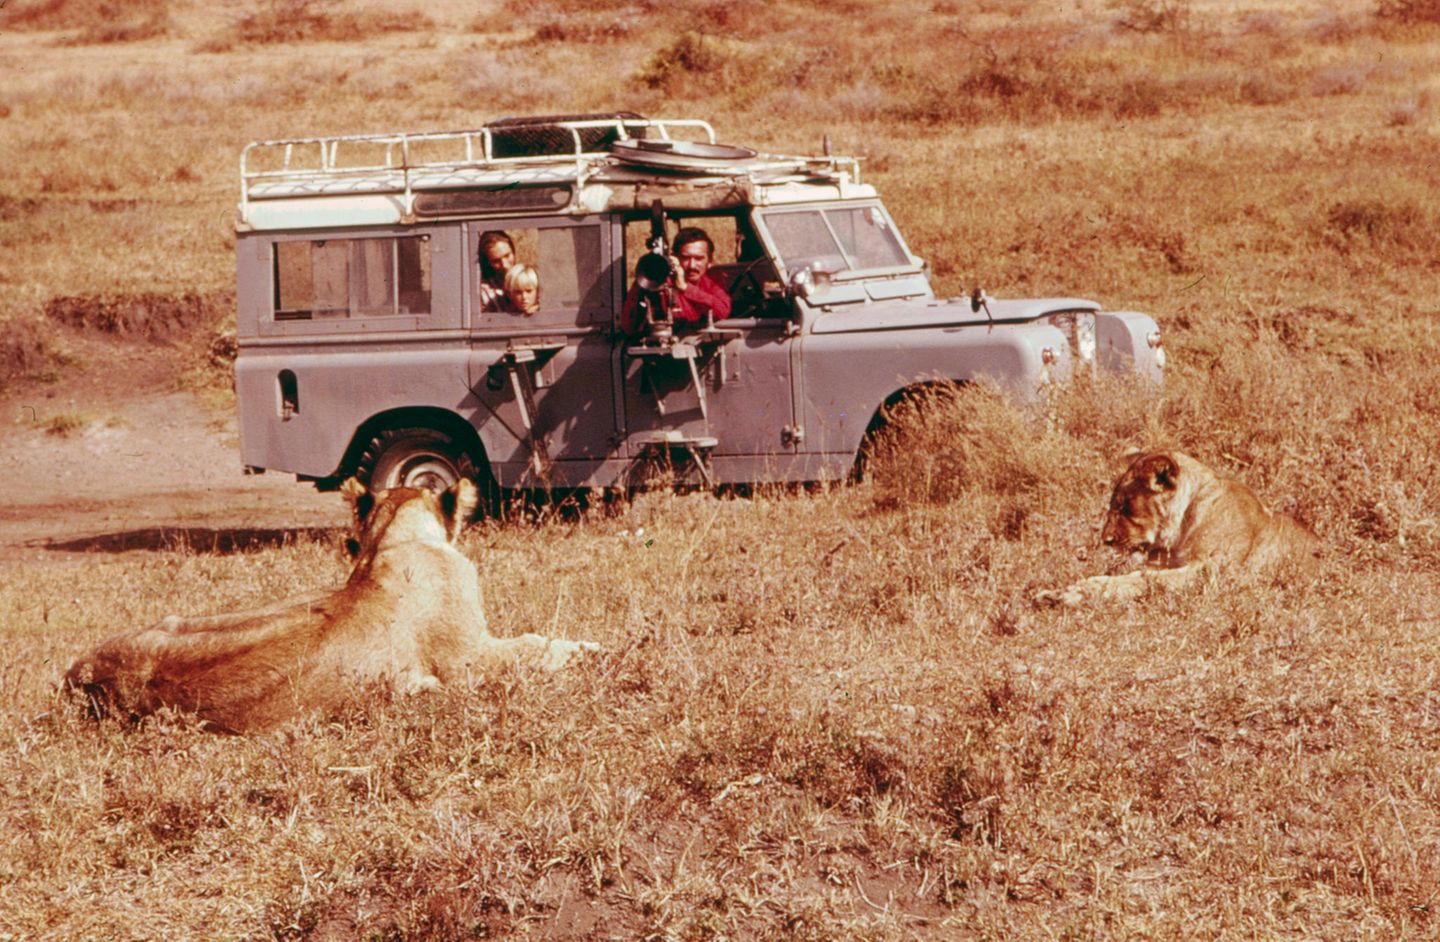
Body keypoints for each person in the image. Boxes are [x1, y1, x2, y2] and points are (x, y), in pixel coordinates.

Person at [620, 225, 731, 336]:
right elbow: (628, 325)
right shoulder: (658, 281)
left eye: (699, 259)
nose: (692, 265)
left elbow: (723, 311)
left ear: (710, 261)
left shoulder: (712, 282)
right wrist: (647, 280)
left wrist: (685, 288)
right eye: (685, 258)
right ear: (674, 258)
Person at [477, 230, 517, 312]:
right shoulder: (484, 291)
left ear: (513, 252)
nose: (504, 265)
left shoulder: (527, 278)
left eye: (507, 256)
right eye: (496, 261)